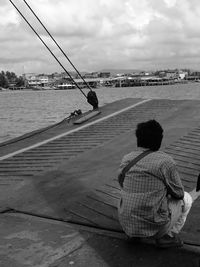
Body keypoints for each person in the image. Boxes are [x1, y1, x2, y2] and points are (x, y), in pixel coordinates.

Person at [118, 119, 200, 248]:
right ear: (159, 140)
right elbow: (178, 194)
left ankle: (134, 235)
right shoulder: (165, 161)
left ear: (138, 139)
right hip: (155, 227)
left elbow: (122, 183)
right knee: (187, 199)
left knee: (130, 196)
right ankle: (167, 236)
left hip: (127, 224)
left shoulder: (126, 158)